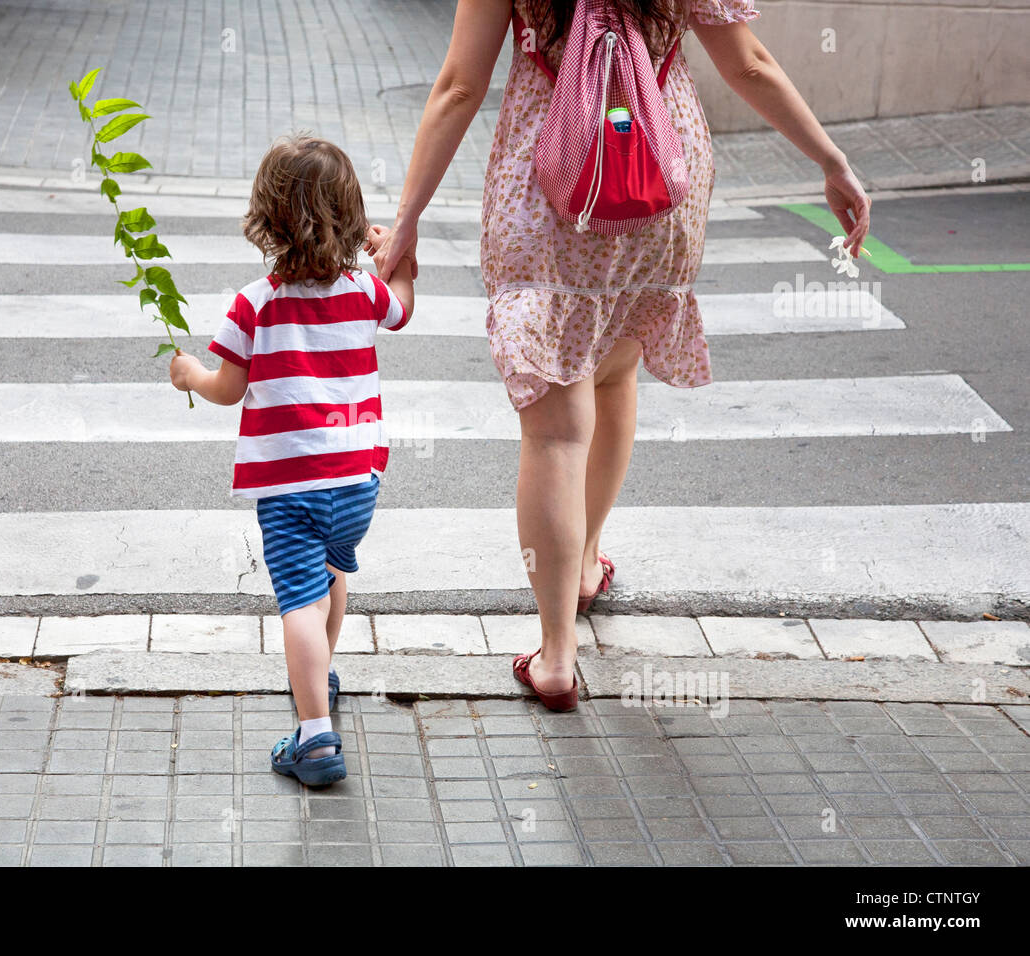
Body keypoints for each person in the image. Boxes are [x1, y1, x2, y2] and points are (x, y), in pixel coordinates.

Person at [370, 0, 871, 712]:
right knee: (614, 376)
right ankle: (582, 565)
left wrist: (409, 219)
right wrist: (833, 161)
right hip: (659, 180)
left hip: (550, 190)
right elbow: (748, 63)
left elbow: (460, 83)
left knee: (552, 432)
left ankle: (556, 655)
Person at [169, 134, 415, 785]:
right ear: (352, 217)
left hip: (291, 486)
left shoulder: (255, 303)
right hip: (359, 481)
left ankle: (313, 739)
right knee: (332, 575)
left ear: (268, 217)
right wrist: (401, 258)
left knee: (298, 603)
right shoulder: (366, 290)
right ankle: (320, 680)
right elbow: (404, 309)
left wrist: (192, 374)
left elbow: (227, 389)